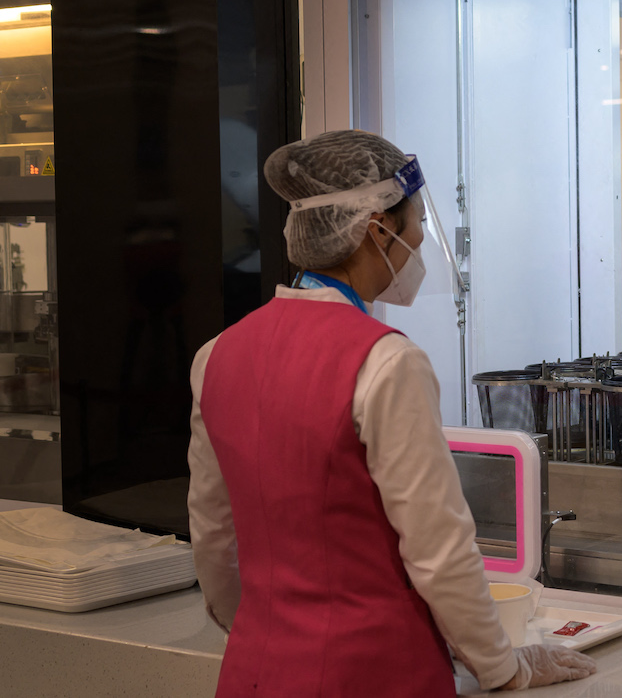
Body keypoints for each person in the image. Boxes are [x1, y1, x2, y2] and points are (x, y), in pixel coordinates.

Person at [187, 130, 596, 695]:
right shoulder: (384, 360)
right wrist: (504, 666)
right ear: (376, 230)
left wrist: (266, 632)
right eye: (416, 226)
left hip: (256, 672)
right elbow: (438, 549)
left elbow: (212, 533)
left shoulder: (216, 356)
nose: (420, 241)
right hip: (374, 670)